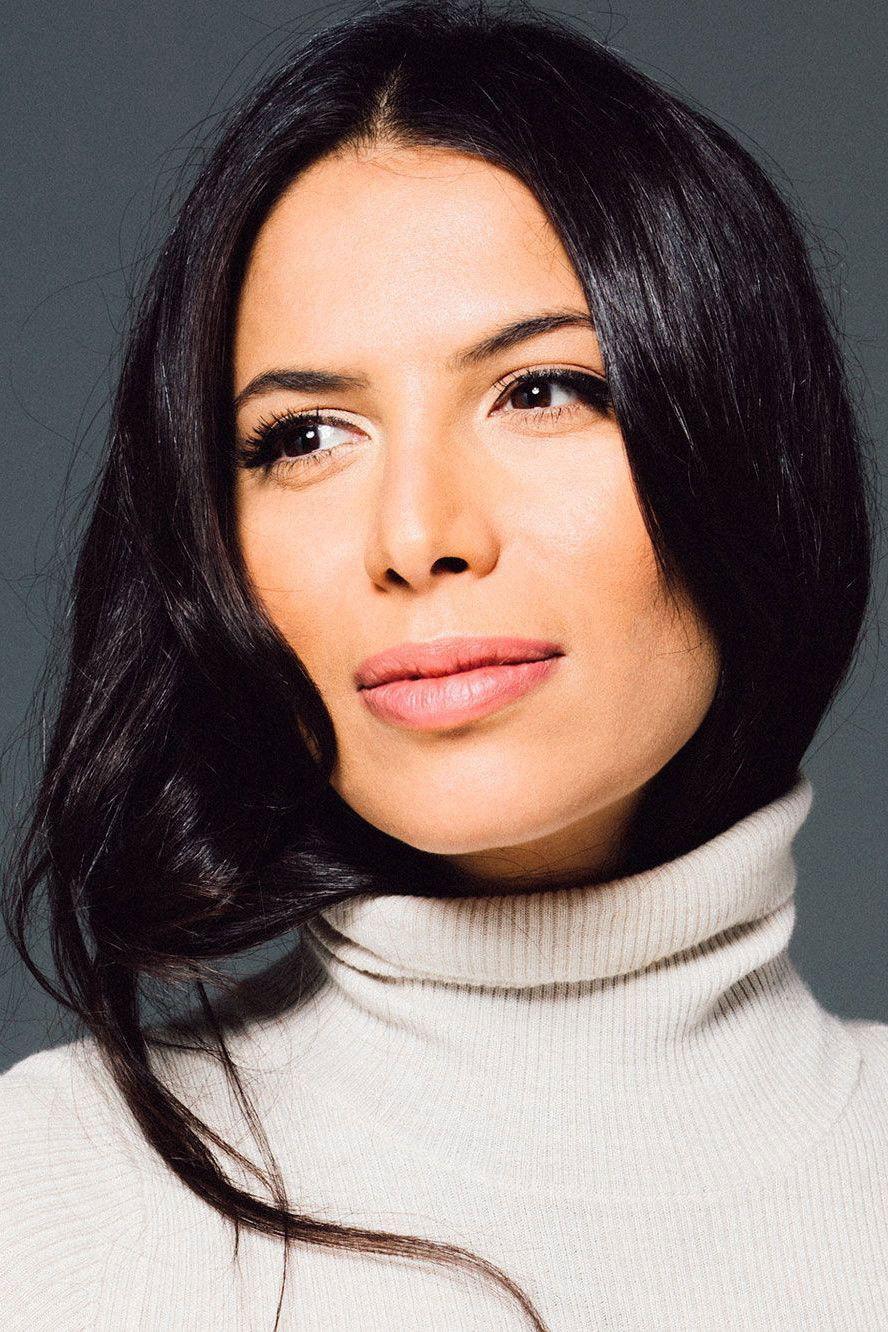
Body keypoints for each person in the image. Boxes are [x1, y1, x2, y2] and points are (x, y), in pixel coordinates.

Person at [1, 1, 885, 1328]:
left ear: (748, 443)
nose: (417, 536)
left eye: (544, 391)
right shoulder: (49, 1200)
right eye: (305, 436)